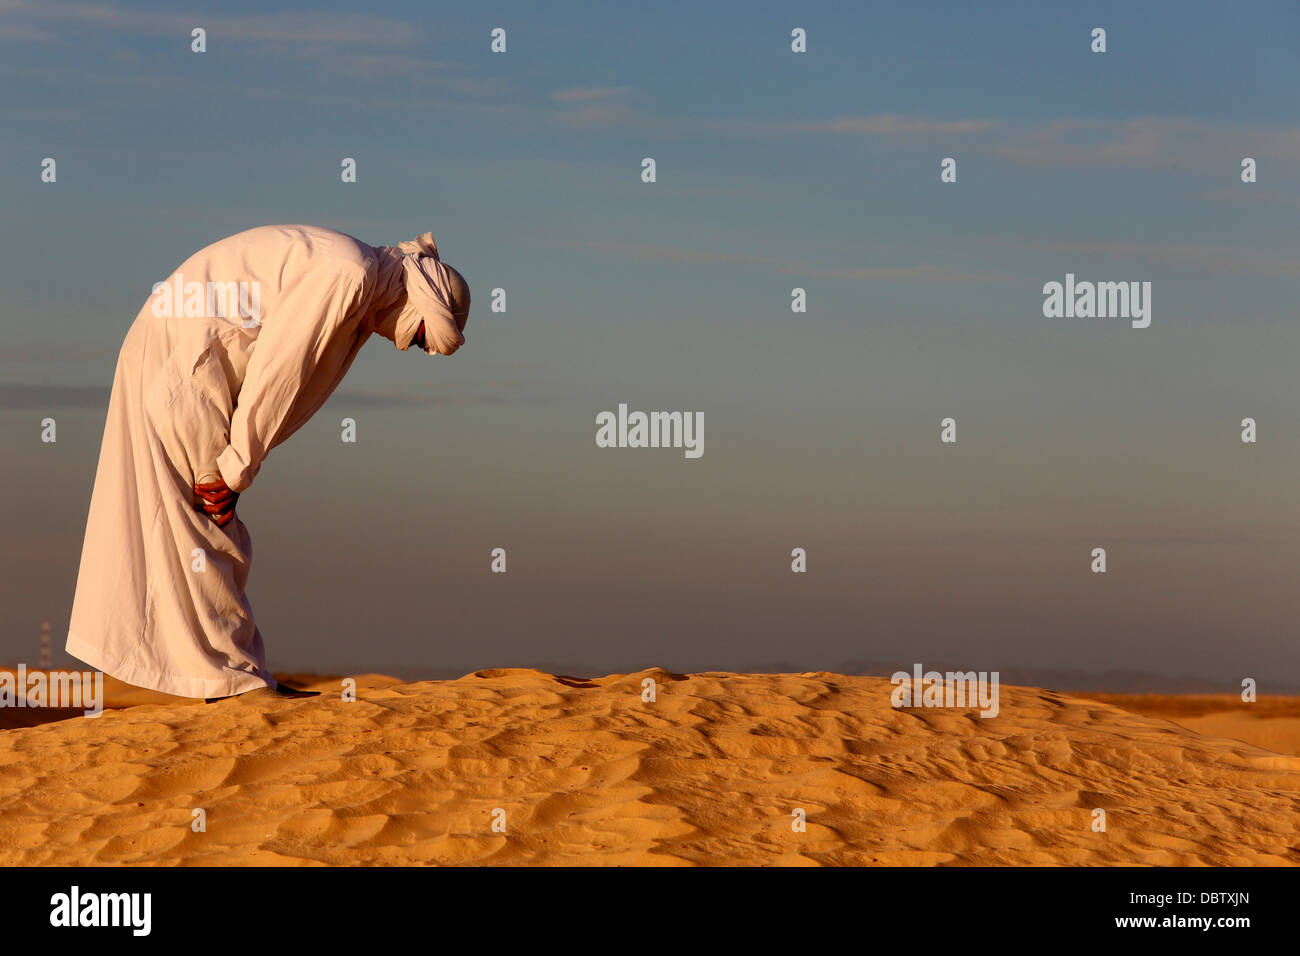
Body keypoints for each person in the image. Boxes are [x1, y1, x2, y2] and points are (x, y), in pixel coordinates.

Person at [66, 225, 470, 700]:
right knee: (207, 518)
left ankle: (231, 677)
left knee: (194, 524)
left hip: (186, 353)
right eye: (422, 337)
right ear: (421, 299)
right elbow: (281, 367)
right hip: (187, 359)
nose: (406, 346)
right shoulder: (349, 274)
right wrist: (238, 465)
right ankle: (234, 684)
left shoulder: (355, 280)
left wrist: (242, 462)